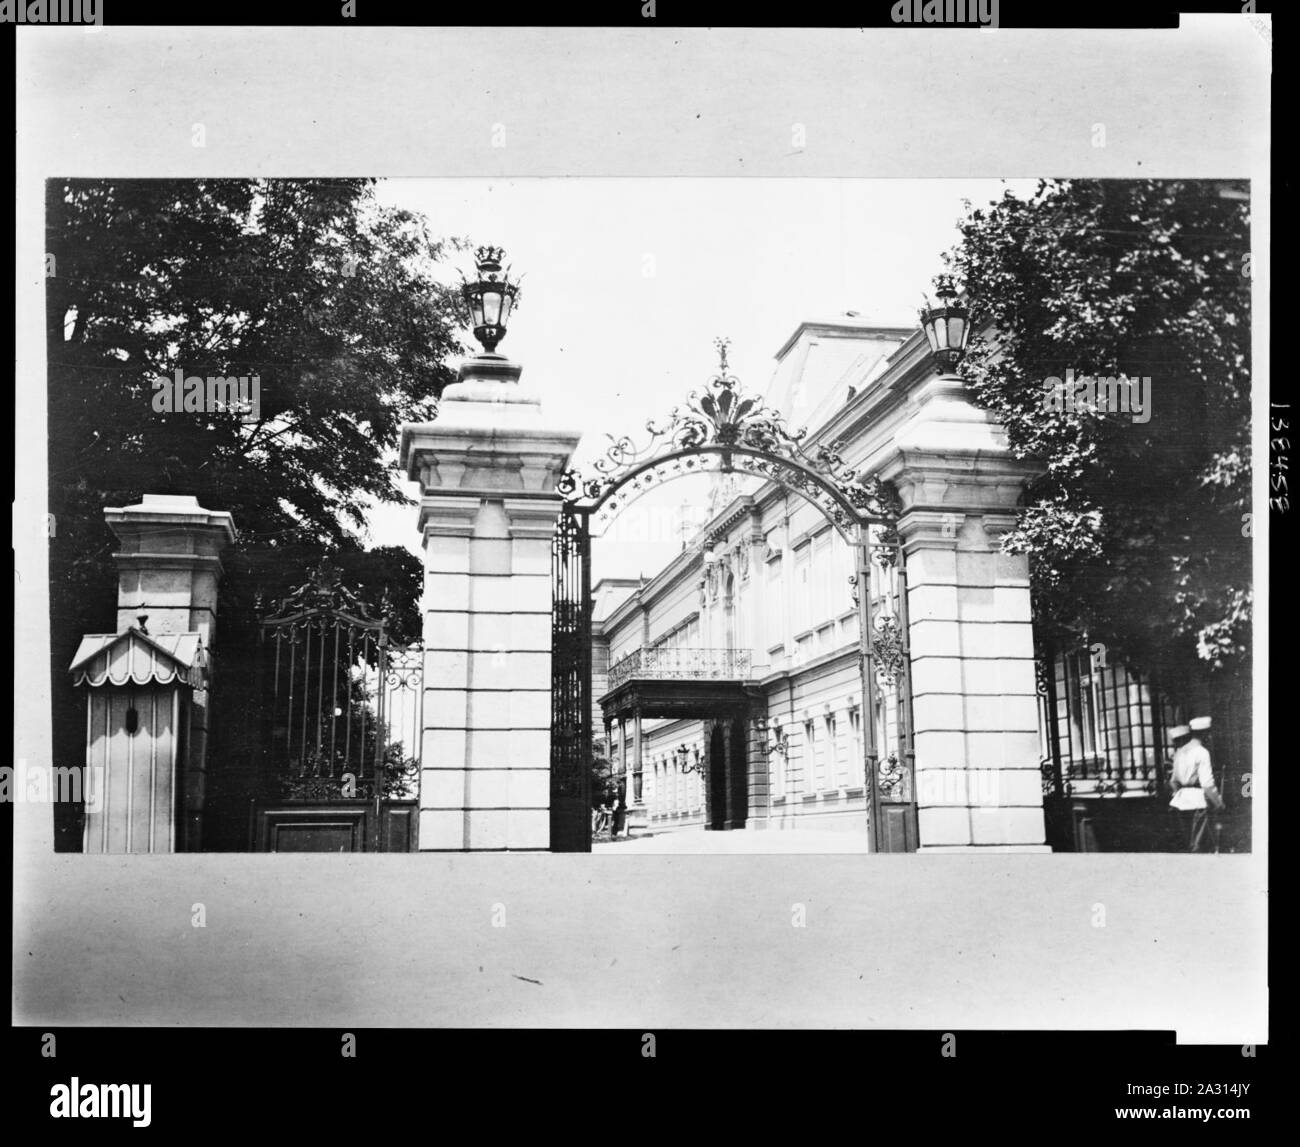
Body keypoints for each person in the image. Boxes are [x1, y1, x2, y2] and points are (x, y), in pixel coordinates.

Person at [1168, 717, 1224, 852]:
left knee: (1186, 846)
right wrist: (1218, 802)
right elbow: (1207, 784)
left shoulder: (1180, 752)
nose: (1210, 737)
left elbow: (1173, 780)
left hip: (1180, 802)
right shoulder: (1202, 752)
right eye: (1209, 733)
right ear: (1205, 734)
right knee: (1199, 848)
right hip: (1198, 801)